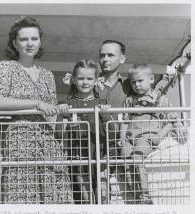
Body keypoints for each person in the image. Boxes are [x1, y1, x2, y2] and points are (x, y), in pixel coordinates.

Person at [0, 16, 73, 204]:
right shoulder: (6, 67)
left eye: (34, 39)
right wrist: (36, 103)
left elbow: (51, 112)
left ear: (40, 41)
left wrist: (59, 110)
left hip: (47, 138)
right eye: (24, 39)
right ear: (15, 43)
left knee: (54, 191)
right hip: (21, 137)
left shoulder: (47, 75)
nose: (30, 43)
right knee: (24, 192)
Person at [118, 64, 187, 204]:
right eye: (133, 82)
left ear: (150, 79)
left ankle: (144, 193)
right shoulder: (129, 101)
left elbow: (170, 120)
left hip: (147, 136)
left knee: (137, 157)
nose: (136, 85)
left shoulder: (159, 98)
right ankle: (133, 192)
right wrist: (121, 138)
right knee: (123, 157)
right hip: (130, 137)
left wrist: (160, 135)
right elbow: (125, 121)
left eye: (140, 81)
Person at [63, 60, 109, 202]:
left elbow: (111, 129)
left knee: (103, 194)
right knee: (85, 194)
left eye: (89, 78)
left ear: (96, 81)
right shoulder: (69, 103)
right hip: (78, 155)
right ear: (74, 80)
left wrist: (105, 113)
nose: (85, 82)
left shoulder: (102, 102)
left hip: (99, 153)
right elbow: (61, 133)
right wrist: (64, 117)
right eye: (81, 78)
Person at [98, 39, 132, 202]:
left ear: (122, 59)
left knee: (128, 190)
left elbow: (155, 100)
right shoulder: (90, 84)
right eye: (102, 55)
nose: (105, 59)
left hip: (122, 144)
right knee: (101, 193)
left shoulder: (130, 85)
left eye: (110, 55)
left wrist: (175, 121)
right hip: (98, 146)